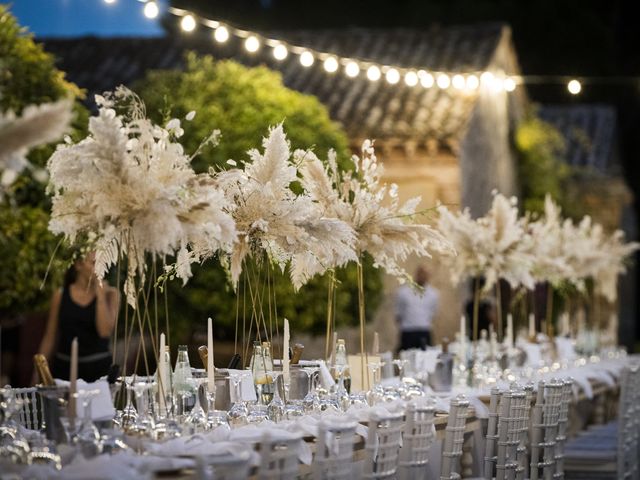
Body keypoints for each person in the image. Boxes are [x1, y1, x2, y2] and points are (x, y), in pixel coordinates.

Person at [37, 252, 119, 382]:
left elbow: (104, 331)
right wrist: (37, 374)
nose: (99, 268)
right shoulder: (60, 295)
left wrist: (100, 296)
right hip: (66, 369)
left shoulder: (111, 294)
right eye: (93, 263)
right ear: (79, 265)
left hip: (99, 370)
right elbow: (50, 336)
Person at [395, 266, 439, 350]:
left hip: (424, 330)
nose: (422, 276)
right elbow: (398, 311)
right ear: (416, 274)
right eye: (420, 274)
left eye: (425, 274)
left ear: (428, 276)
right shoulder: (403, 292)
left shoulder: (434, 294)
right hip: (408, 331)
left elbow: (434, 312)